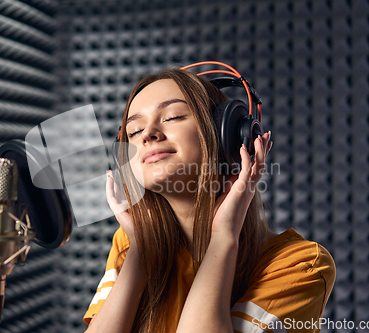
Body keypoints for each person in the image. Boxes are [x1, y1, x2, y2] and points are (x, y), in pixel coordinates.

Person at [83, 67, 336, 333]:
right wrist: (140, 253)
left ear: (226, 135)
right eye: (134, 131)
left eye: (172, 116)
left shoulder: (301, 265)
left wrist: (223, 236)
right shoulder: (131, 242)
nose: (148, 135)